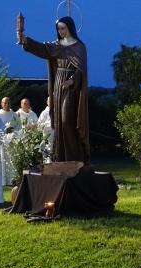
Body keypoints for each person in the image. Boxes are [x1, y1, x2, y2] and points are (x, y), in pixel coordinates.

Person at [17, 16, 90, 164]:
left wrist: (72, 79)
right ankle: (61, 158)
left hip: (71, 87)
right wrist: (25, 39)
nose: (60, 31)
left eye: (63, 28)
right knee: (58, 122)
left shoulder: (79, 47)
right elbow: (42, 48)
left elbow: (81, 69)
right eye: (58, 29)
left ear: (70, 28)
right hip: (58, 84)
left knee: (67, 120)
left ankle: (74, 157)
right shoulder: (57, 45)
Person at [0, 97, 19, 186]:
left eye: (9, 103)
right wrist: (5, 130)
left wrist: (13, 130)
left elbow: (19, 127)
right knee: (2, 160)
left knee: (11, 160)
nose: (7, 104)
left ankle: (11, 180)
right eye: (5, 103)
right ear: (1, 104)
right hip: (2, 141)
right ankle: (2, 180)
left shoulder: (15, 115)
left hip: (12, 141)